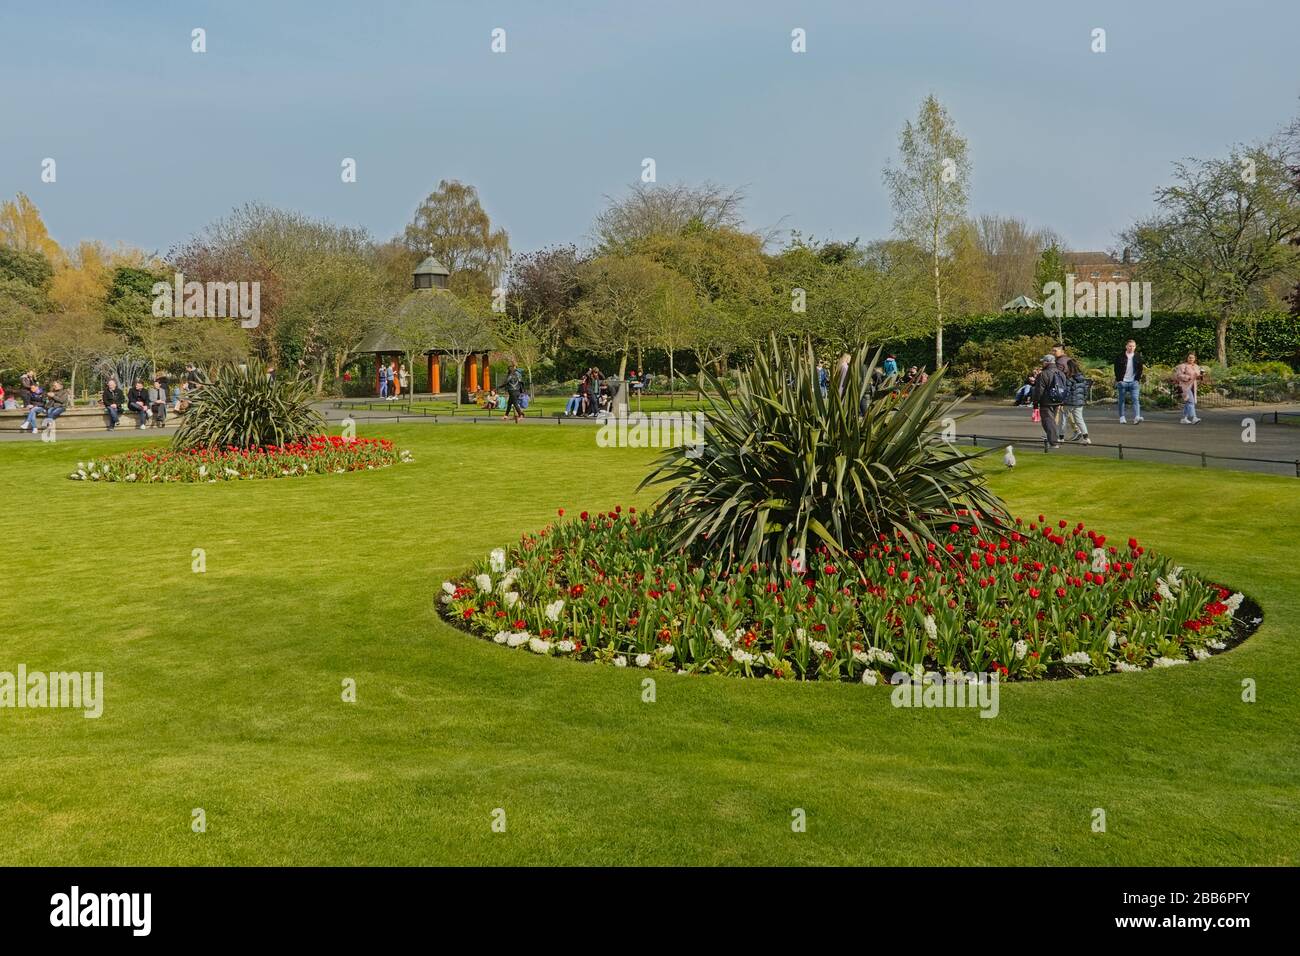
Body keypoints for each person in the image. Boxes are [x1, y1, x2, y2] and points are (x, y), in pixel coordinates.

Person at [1029, 354, 1068, 449]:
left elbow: (1039, 391)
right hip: (1058, 400)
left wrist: (1035, 403)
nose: (1042, 363)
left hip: (1046, 401)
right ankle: (1053, 438)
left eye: (1043, 361)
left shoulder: (1043, 374)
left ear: (1047, 362)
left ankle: (1053, 442)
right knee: (1052, 420)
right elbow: (1064, 387)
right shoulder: (1061, 373)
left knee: (1048, 421)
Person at [1113, 339, 1145, 424]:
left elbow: (1140, 369)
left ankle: (1137, 417)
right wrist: (1119, 380)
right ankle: (1122, 417)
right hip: (1123, 382)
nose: (1131, 348)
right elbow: (1116, 369)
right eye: (1130, 346)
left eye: (1133, 346)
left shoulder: (1138, 356)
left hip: (1134, 382)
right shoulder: (1120, 356)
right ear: (1126, 346)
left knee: (1135, 399)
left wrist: (1137, 380)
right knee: (1121, 400)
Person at [1063, 358, 1092, 444]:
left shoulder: (1069, 377)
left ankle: (1060, 437)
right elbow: (1085, 390)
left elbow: (1067, 391)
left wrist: (1062, 400)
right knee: (1079, 420)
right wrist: (1083, 399)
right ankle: (1086, 438)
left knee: (1063, 419)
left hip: (1069, 402)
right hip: (1079, 402)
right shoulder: (1082, 377)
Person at [1173, 352, 1206, 424]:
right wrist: (1188, 377)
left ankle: (1184, 418)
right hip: (1184, 386)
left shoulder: (1196, 366)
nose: (1191, 359)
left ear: (1195, 359)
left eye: (1193, 358)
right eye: (1190, 357)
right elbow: (1178, 375)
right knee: (1191, 401)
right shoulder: (1182, 366)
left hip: (1193, 386)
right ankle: (1194, 417)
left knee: (1188, 402)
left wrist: (1201, 376)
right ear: (1187, 358)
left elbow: (1197, 376)